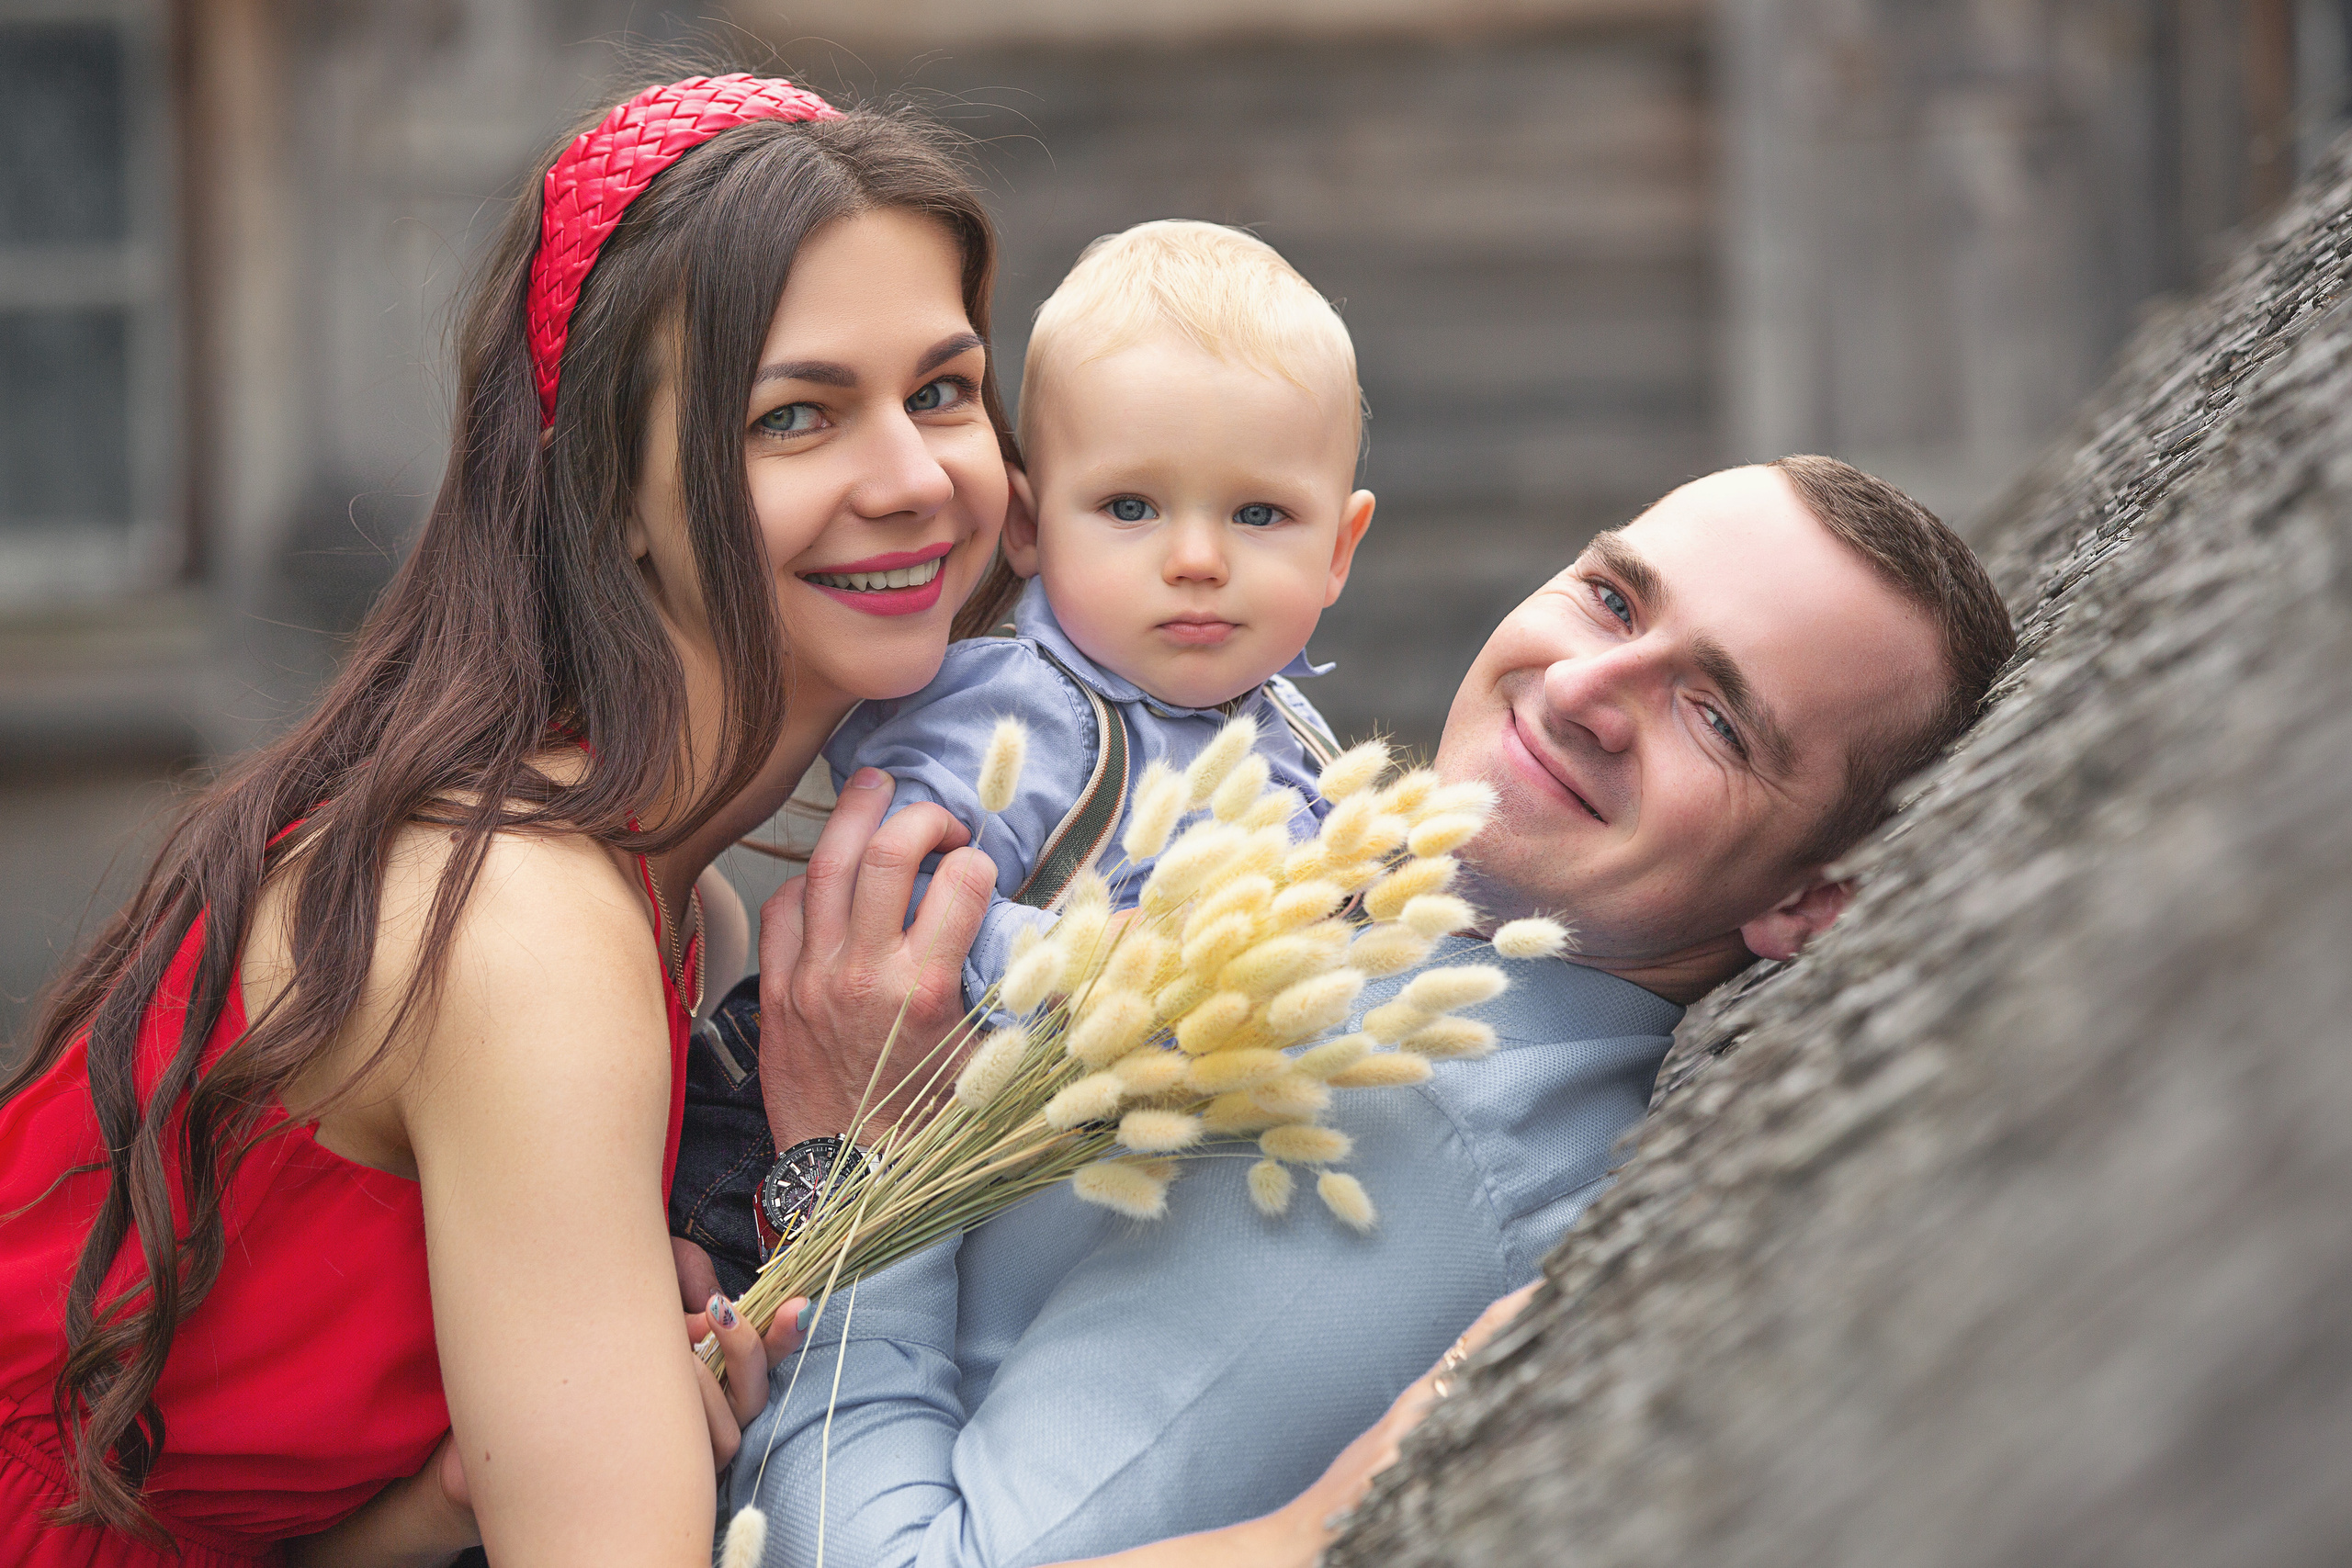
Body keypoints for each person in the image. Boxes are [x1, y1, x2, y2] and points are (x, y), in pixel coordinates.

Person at [0, 74, 1026, 1565]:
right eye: (796, 417)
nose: (916, 475)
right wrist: (847, 1162)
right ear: (610, 493)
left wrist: (436, 1507)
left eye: (942, 391)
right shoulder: (523, 926)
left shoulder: (677, 897)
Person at [714, 454, 2018, 1565]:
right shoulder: (1339, 912)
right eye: (1611, 598)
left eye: (1716, 718)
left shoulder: (1410, 1135)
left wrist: (849, 1161)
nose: (1581, 689)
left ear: (1808, 898)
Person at [820, 219, 1374, 1012]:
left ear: (1338, 552)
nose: (1197, 560)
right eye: (1130, 506)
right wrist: (1088, 960)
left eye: (1258, 514)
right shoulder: (1019, 718)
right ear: (1026, 525)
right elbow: (891, 907)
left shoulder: (1296, 734)